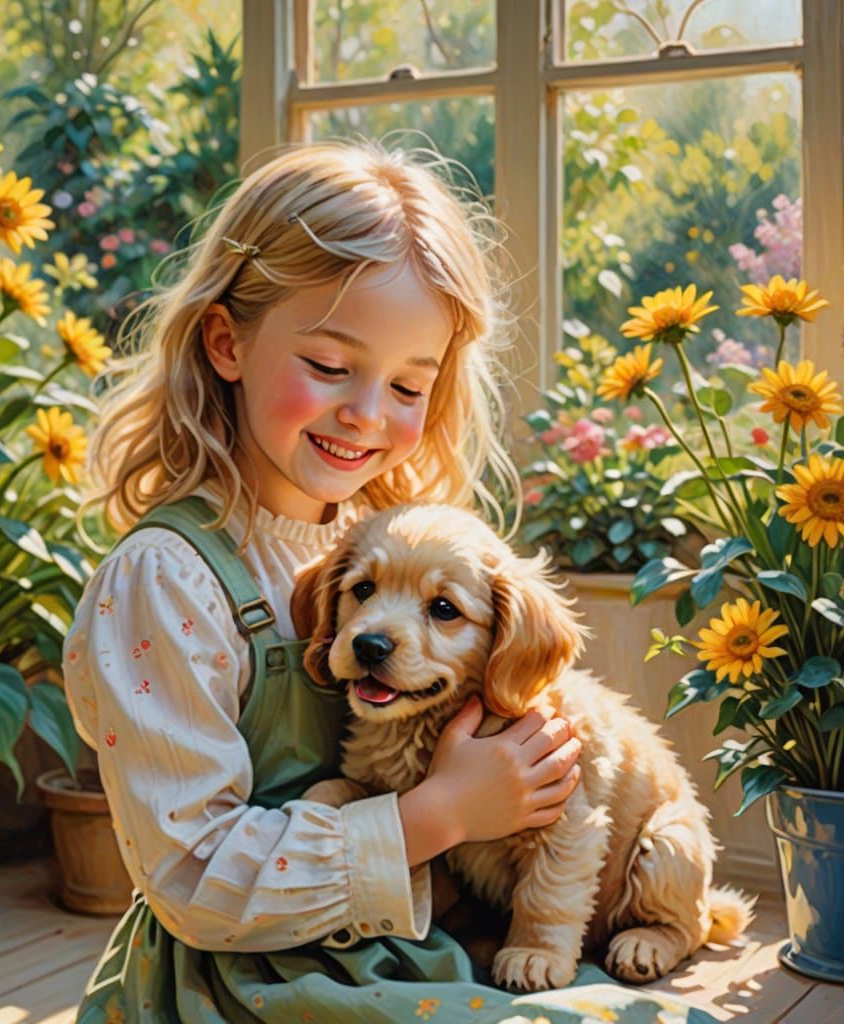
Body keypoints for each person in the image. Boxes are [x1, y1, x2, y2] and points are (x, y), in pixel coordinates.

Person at [63, 140, 714, 1024]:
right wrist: (438, 815)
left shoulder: (373, 529)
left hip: (412, 943)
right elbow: (195, 878)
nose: (367, 414)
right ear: (226, 341)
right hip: (253, 980)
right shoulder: (165, 581)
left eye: (410, 384)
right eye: (330, 366)